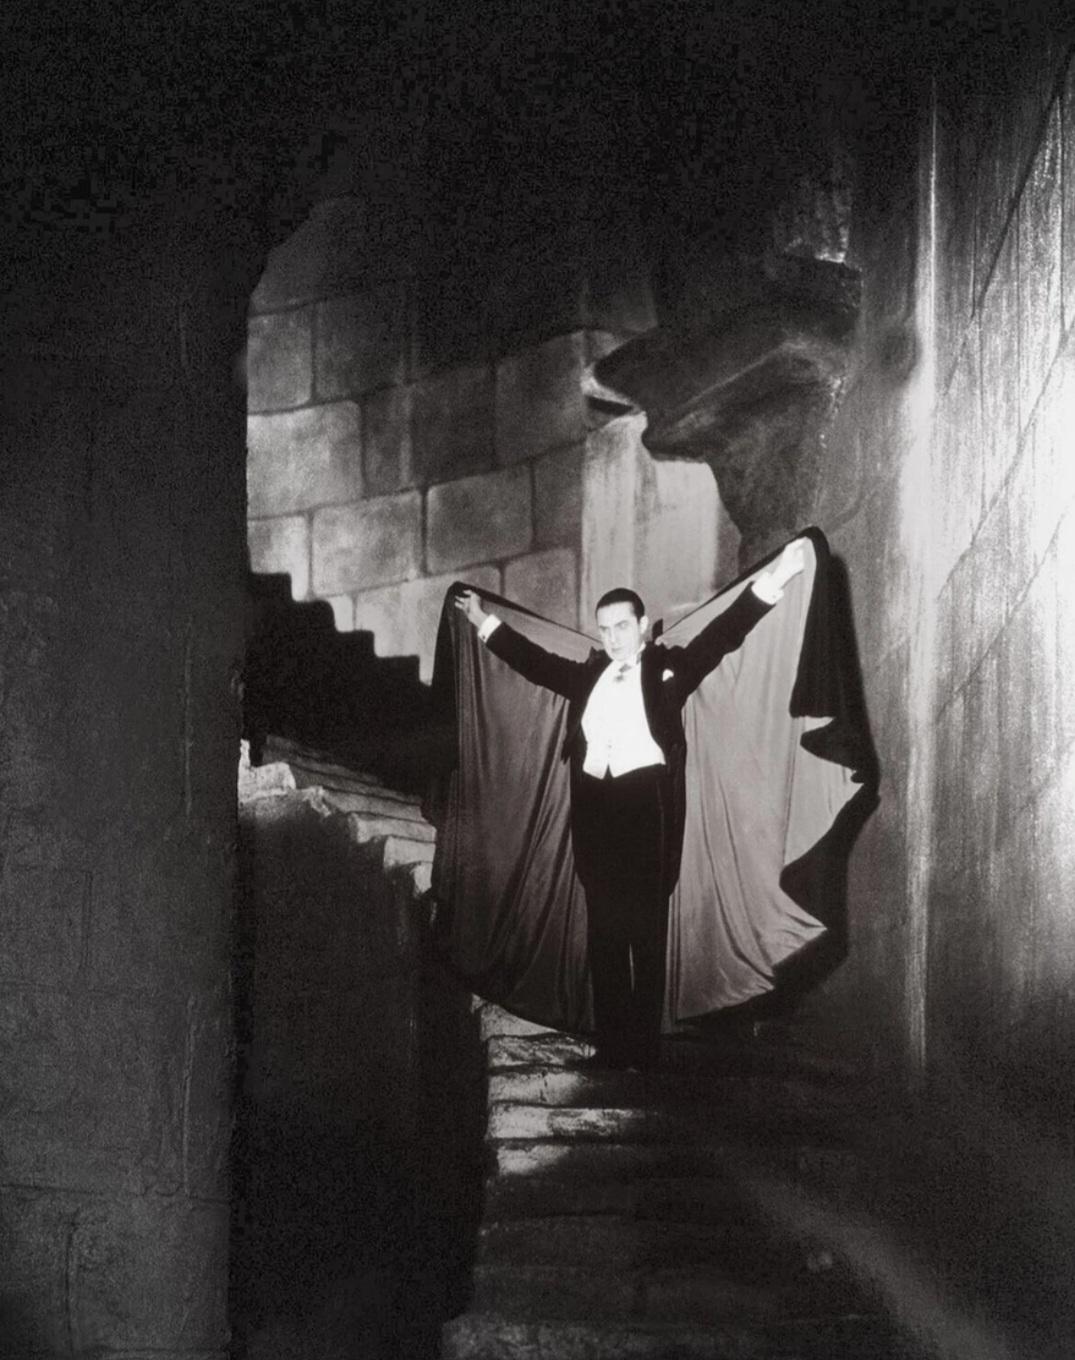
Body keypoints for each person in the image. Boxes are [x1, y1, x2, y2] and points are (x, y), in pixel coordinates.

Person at [453, 539, 806, 1070]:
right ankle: (613, 1048)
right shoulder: (588, 677)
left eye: (622, 626)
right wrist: (483, 620)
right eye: (605, 629)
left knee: (644, 936)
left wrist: (775, 578)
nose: (613, 637)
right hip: (595, 812)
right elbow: (535, 663)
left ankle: (644, 1051)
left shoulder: (666, 670)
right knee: (605, 938)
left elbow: (721, 636)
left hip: (646, 812)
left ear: (642, 626)